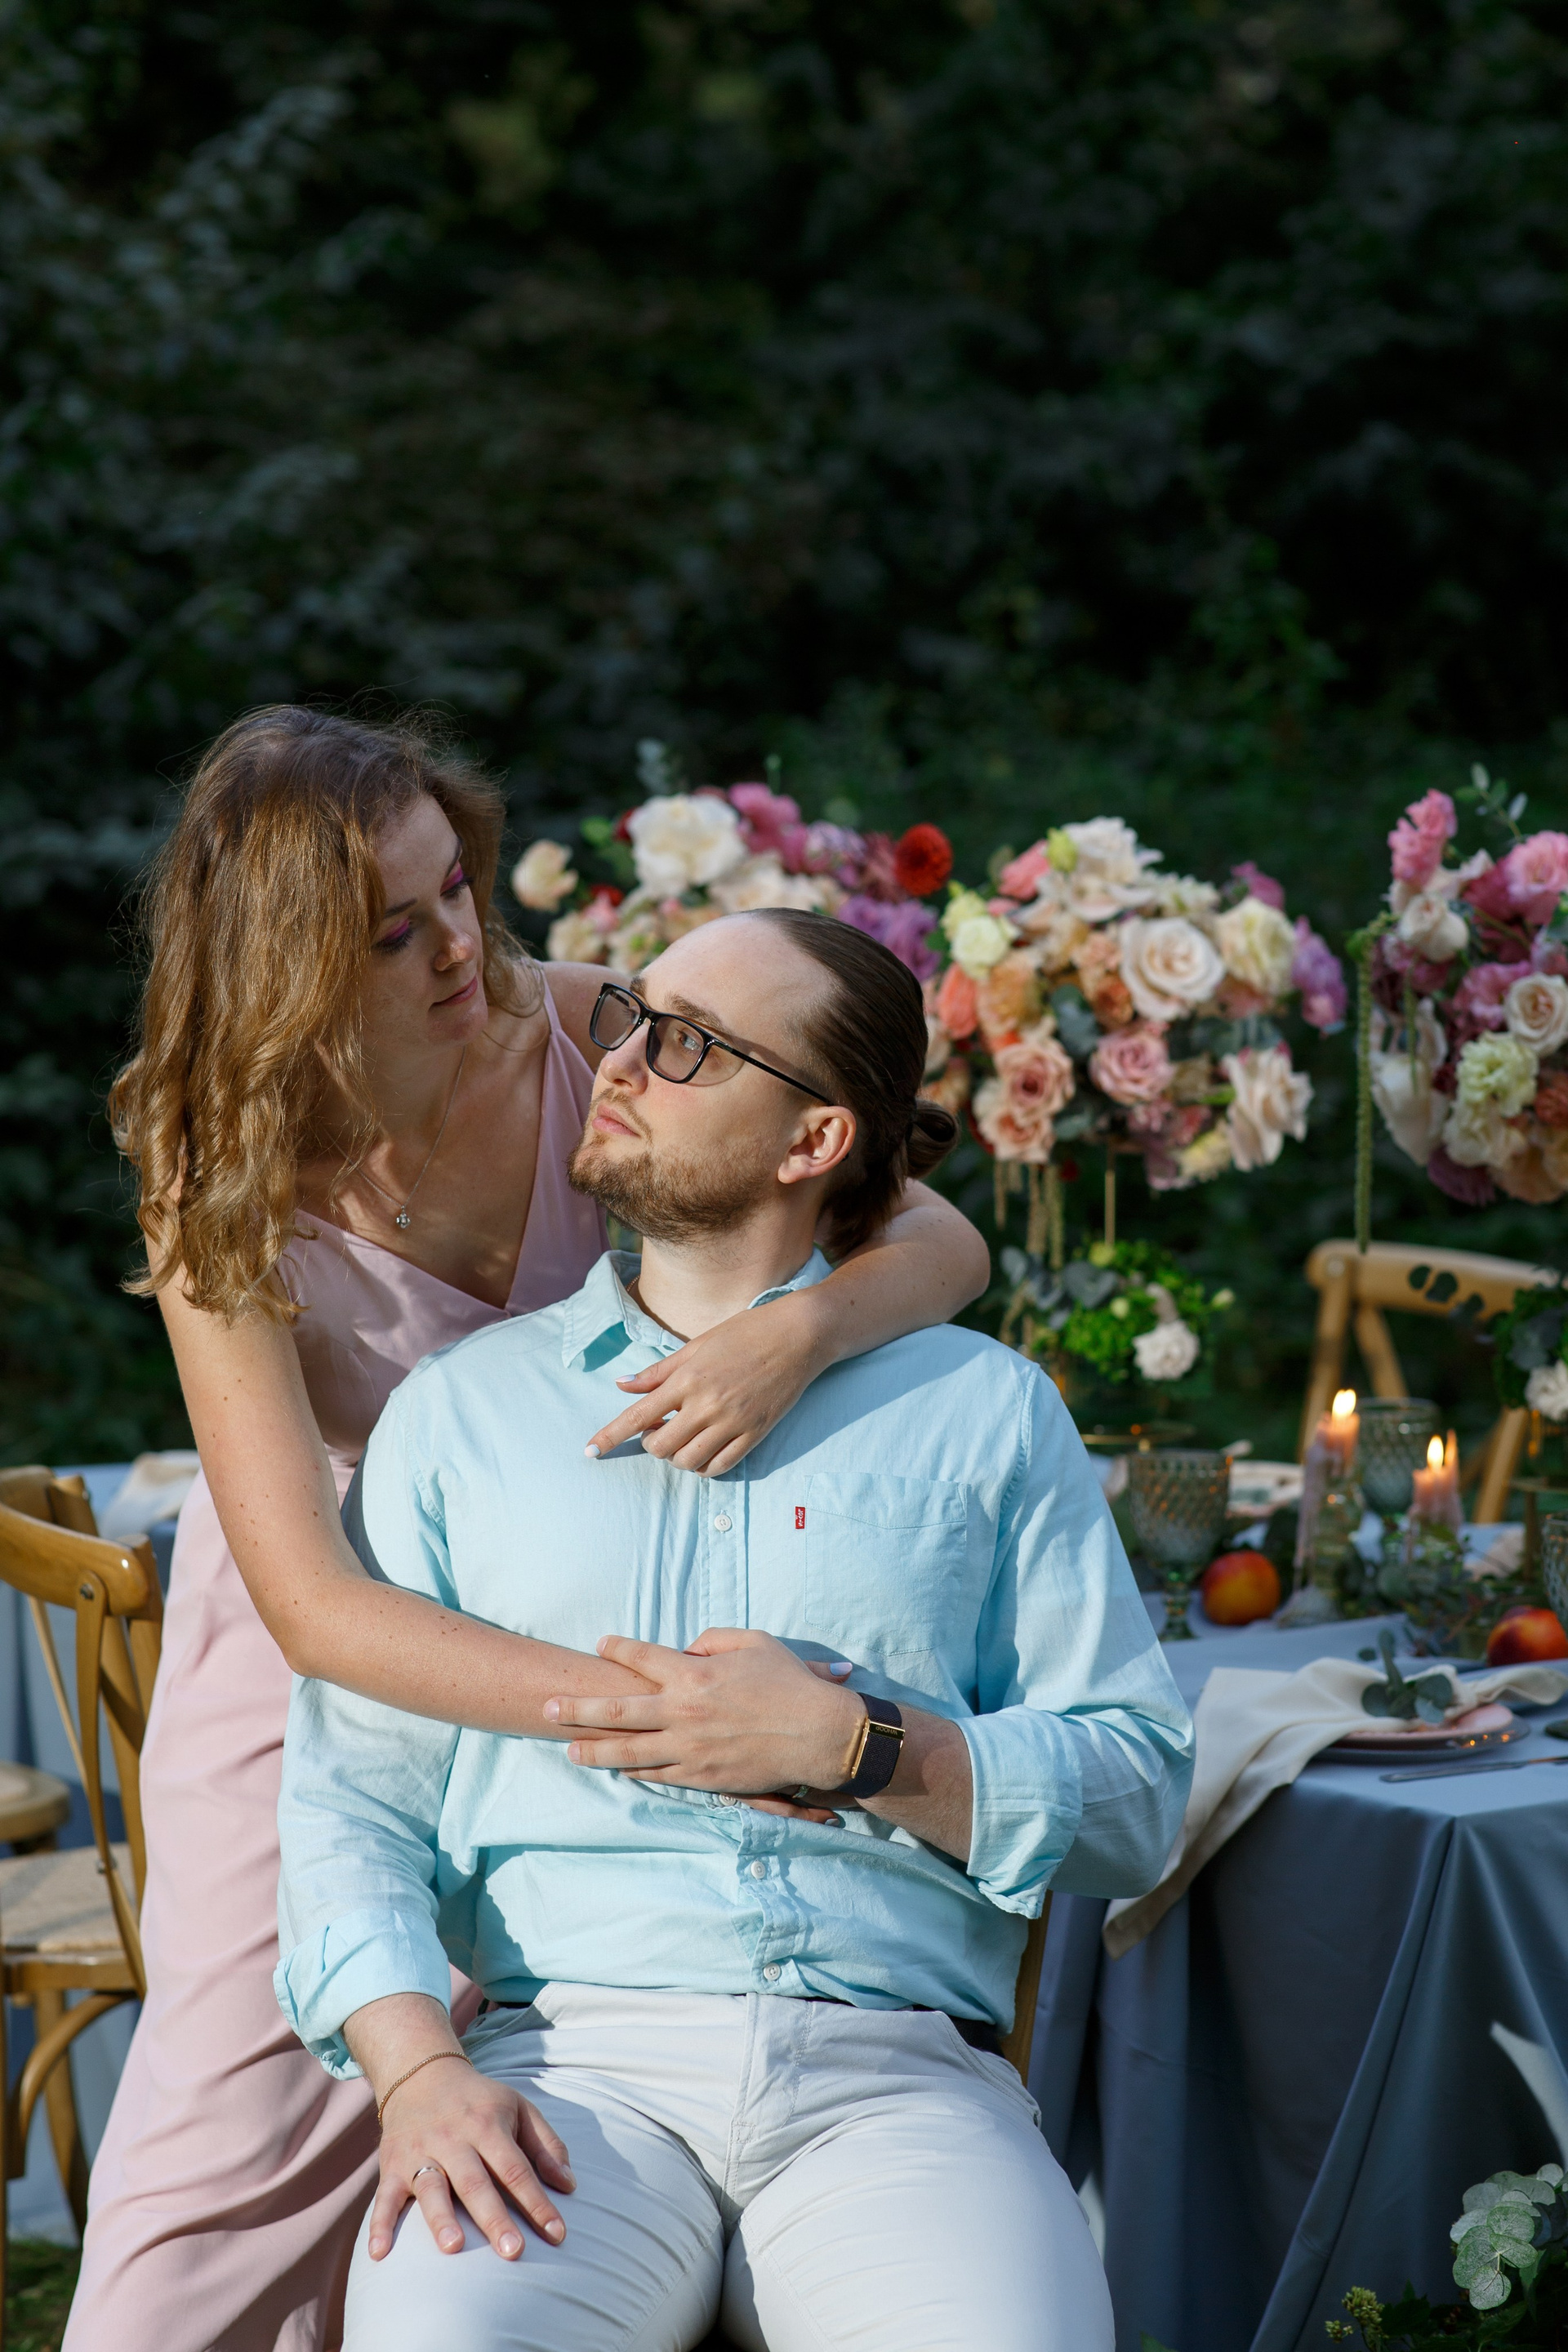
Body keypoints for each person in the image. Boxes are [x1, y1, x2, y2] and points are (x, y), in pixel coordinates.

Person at [65, 710, 989, 2352]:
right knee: (214, 2170)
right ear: (286, 969)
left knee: (554, 2128)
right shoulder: (217, 1159)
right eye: (393, 933)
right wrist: (656, 1717)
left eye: (458, 887)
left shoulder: (578, 1030)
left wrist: (795, 1335)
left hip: (609, 1597)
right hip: (330, 1667)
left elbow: (944, 1244)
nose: (457, 947)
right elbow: (315, 1610)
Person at [274, 907, 1195, 2352]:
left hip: (898, 2087)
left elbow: (1139, 1799)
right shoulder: (461, 1416)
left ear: (813, 1140)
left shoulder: (982, 1411)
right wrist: (417, 2073)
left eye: (692, 1045)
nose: (623, 1061)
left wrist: (860, 1745)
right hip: (565, 2066)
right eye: (634, 1017)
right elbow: (350, 1806)